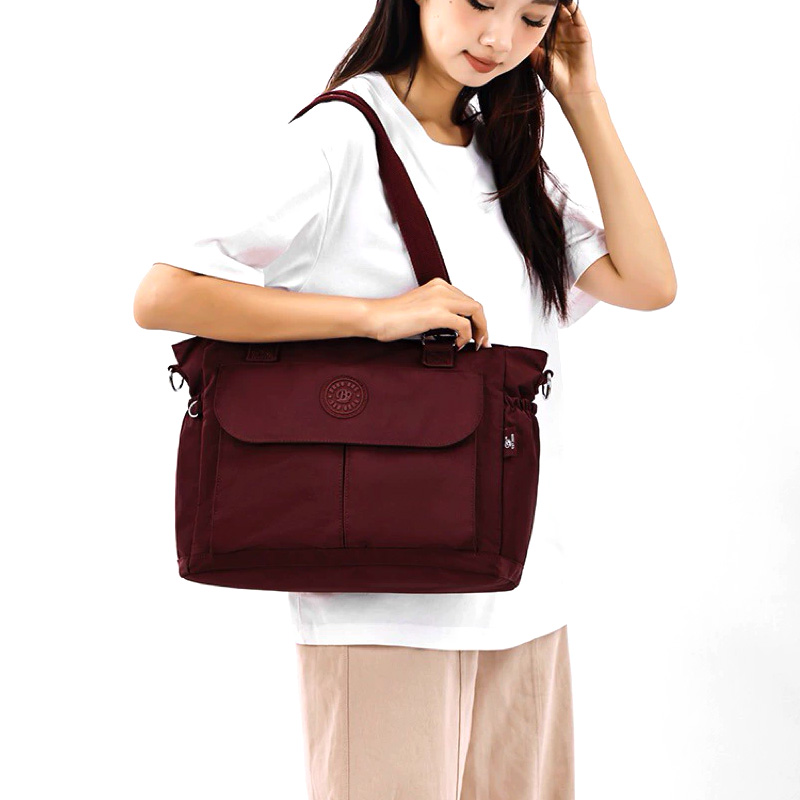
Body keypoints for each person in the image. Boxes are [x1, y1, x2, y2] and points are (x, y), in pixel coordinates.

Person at [134, 0, 676, 796]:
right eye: (480, 3)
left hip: (523, 593)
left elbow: (649, 282)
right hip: (385, 607)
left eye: (531, 18)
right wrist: (374, 316)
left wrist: (582, 97)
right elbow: (163, 294)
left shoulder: (504, 156)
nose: (498, 38)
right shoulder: (344, 136)